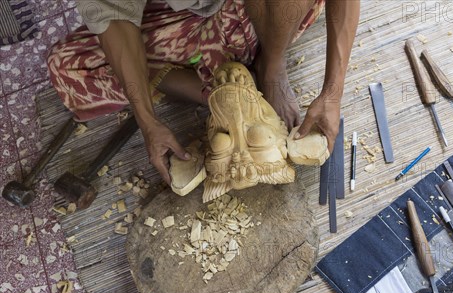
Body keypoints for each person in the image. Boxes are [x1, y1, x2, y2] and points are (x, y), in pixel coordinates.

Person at [47, 0, 360, 184]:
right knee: (66, 66)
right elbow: (113, 15)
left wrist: (333, 91)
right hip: (181, 18)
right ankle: (224, 91)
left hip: (260, 14)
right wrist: (147, 120)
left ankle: (271, 66)